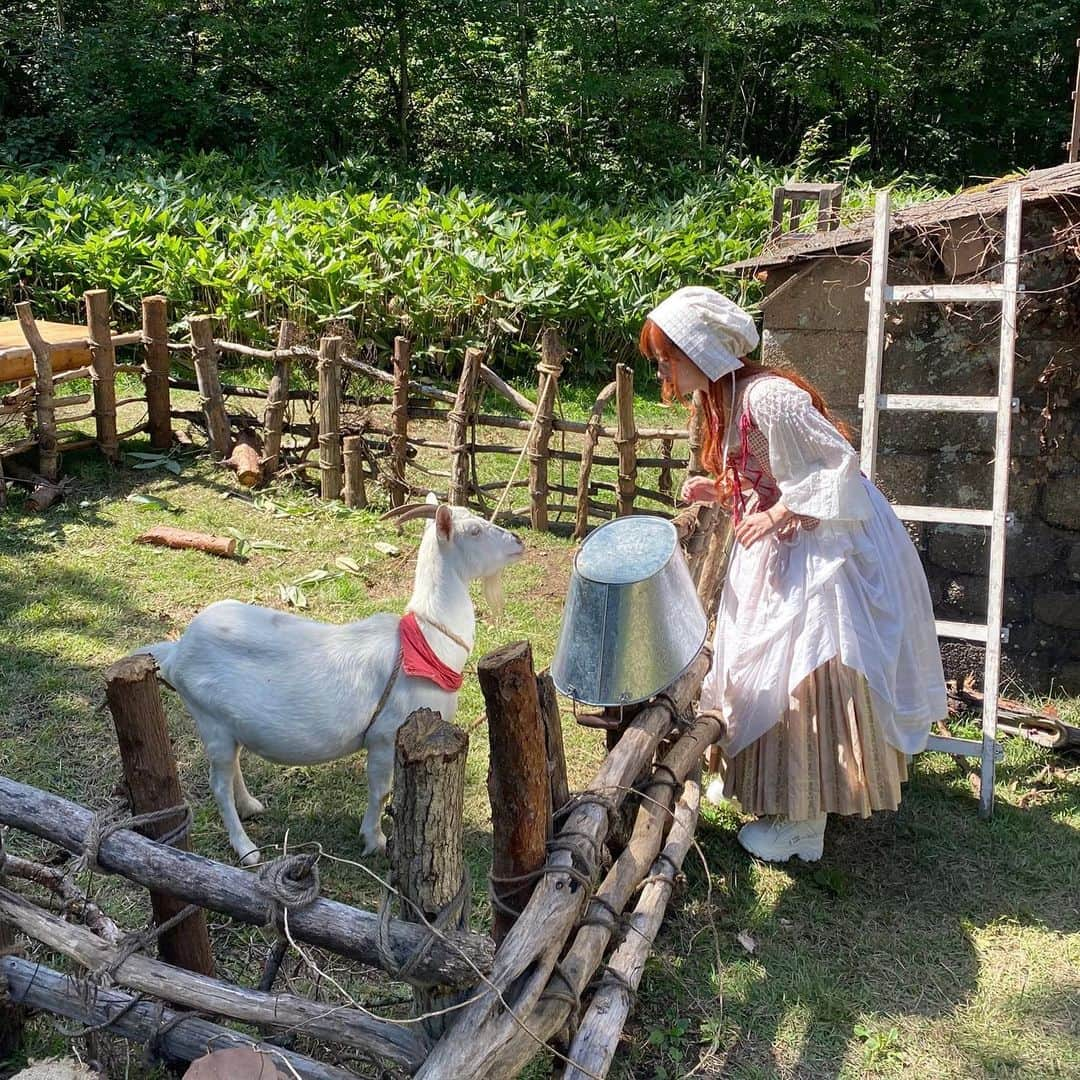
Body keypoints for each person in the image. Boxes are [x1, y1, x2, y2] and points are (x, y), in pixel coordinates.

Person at [640, 286, 946, 862]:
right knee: (764, 668)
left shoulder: (771, 397)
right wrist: (724, 489)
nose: (663, 371)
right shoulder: (724, 398)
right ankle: (779, 797)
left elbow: (838, 469)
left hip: (827, 552)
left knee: (808, 669)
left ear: (698, 349)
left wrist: (778, 512)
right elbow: (774, 471)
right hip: (792, 544)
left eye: (666, 357)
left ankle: (806, 822)